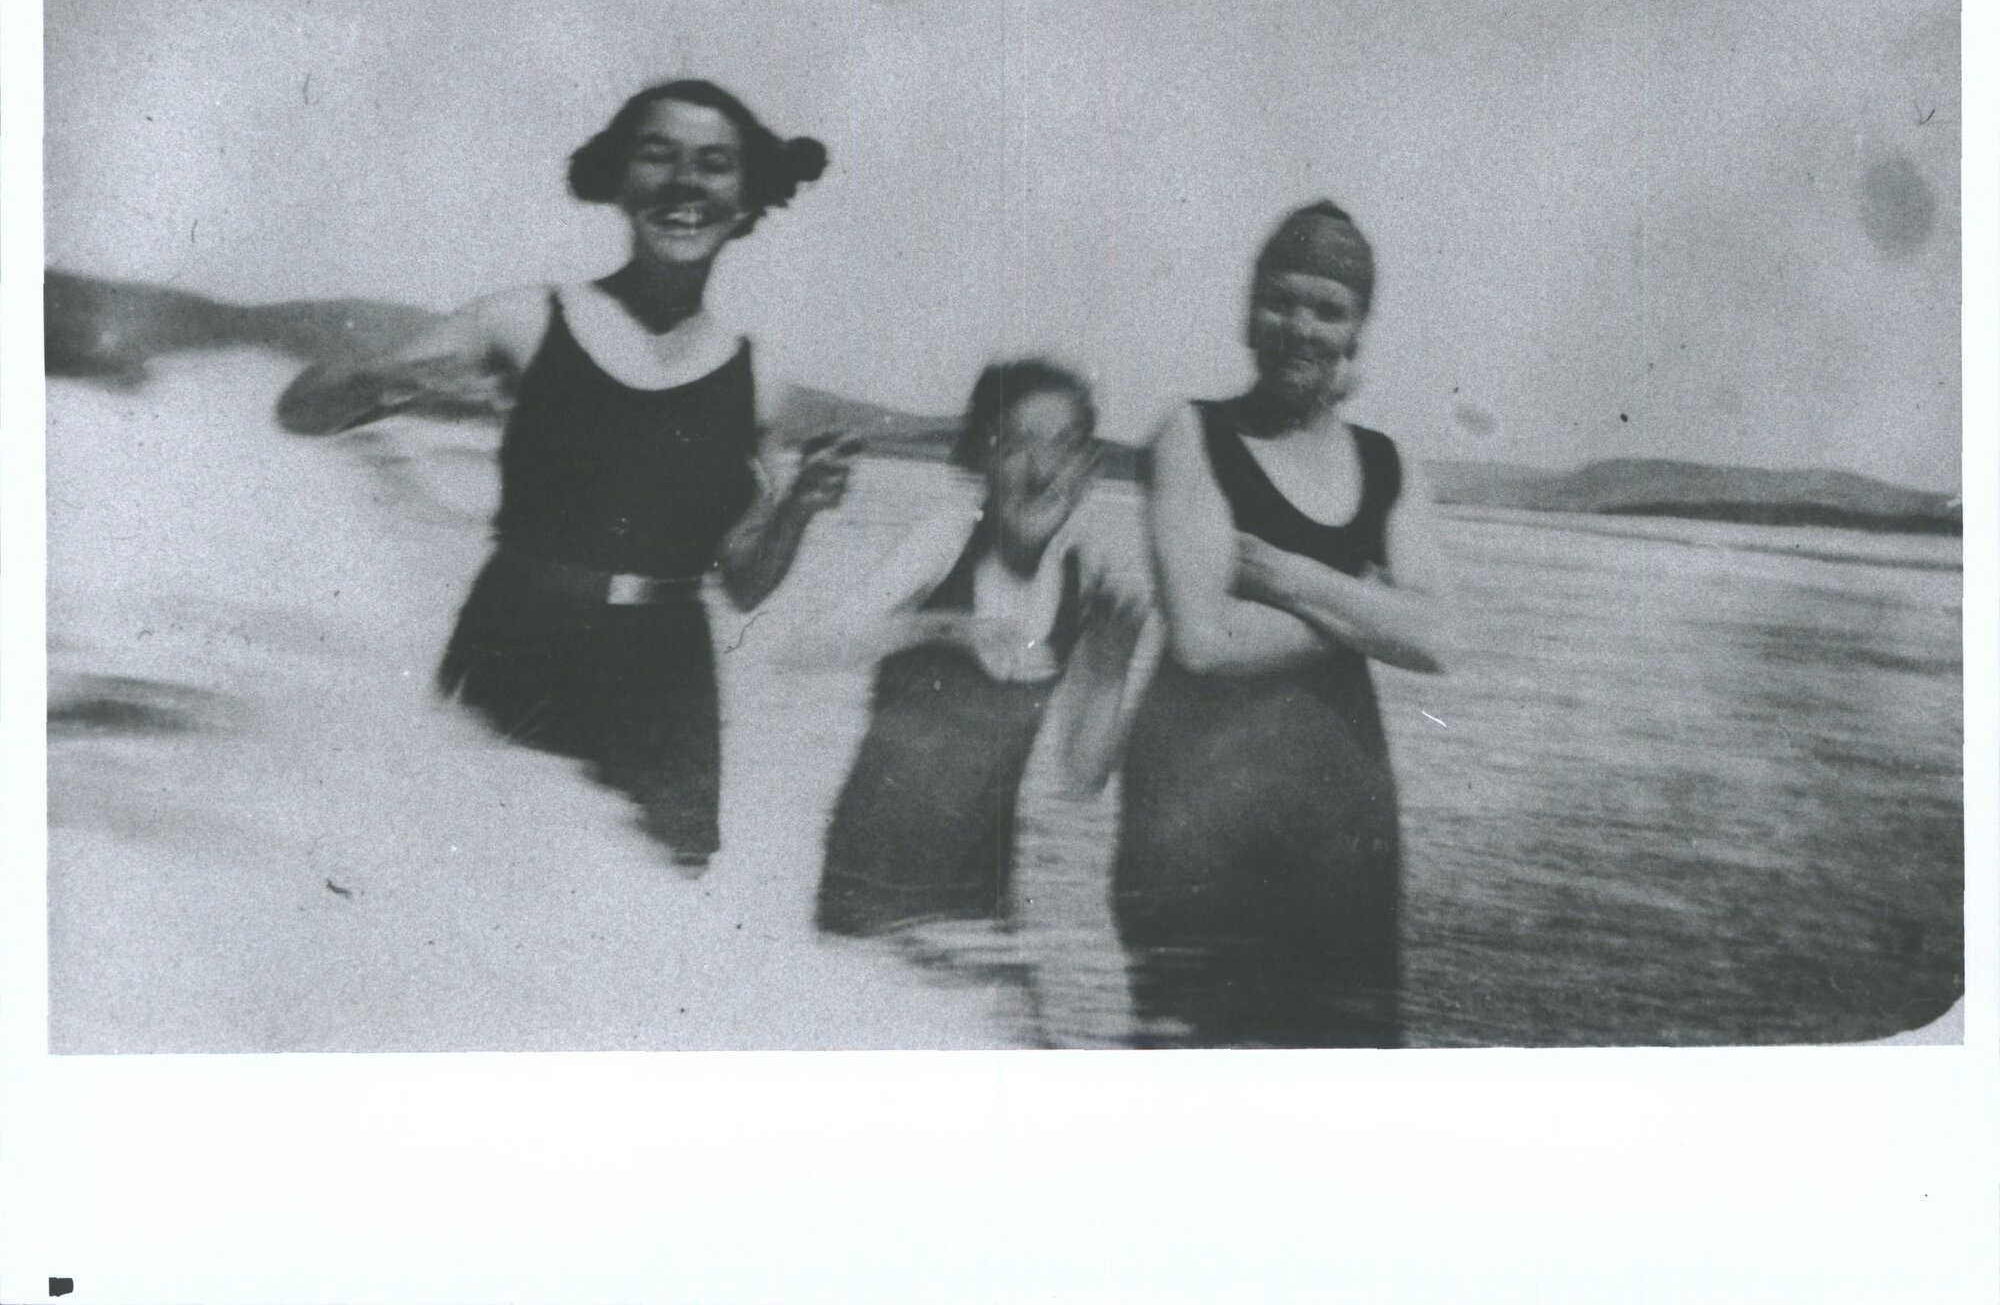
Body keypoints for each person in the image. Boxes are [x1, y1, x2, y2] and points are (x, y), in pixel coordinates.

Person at [276, 80, 855, 871]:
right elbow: (299, 412)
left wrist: (801, 510)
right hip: (520, 637)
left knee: (660, 925)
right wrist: (391, 383)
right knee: (471, 889)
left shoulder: (760, 378)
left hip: (666, 673)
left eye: (715, 164)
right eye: (659, 155)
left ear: (747, 194)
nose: (687, 182)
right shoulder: (522, 319)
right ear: (619, 177)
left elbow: (744, 584)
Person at [1112, 201, 1449, 1047]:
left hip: (1343, 834)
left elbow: (1441, 638)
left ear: (1357, 332)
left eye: (1328, 309)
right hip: (1195, 819)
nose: (1302, 327)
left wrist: (1291, 576)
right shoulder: (1192, 435)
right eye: (1281, 300)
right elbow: (1203, 639)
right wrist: (1361, 603)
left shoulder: (1388, 462)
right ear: (1248, 310)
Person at [797, 359, 1146, 938]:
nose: (1042, 471)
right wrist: (936, 628)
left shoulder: (1082, 584)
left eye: (1063, 448)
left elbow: (1081, 779)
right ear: (982, 457)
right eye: (1017, 446)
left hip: (981, 897)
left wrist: (1111, 674)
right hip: (869, 888)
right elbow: (809, 649)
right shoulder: (945, 539)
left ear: (1088, 469)